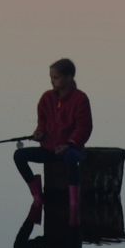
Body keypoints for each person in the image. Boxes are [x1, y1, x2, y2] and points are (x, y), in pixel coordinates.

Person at [14, 58, 93, 220]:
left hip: (72, 149)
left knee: (71, 158)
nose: (52, 81)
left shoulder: (80, 99)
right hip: (49, 149)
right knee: (19, 156)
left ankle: (73, 203)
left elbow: (84, 128)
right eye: (51, 77)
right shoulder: (46, 98)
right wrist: (39, 133)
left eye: (56, 77)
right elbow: (42, 122)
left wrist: (70, 144)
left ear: (69, 78)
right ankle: (37, 195)